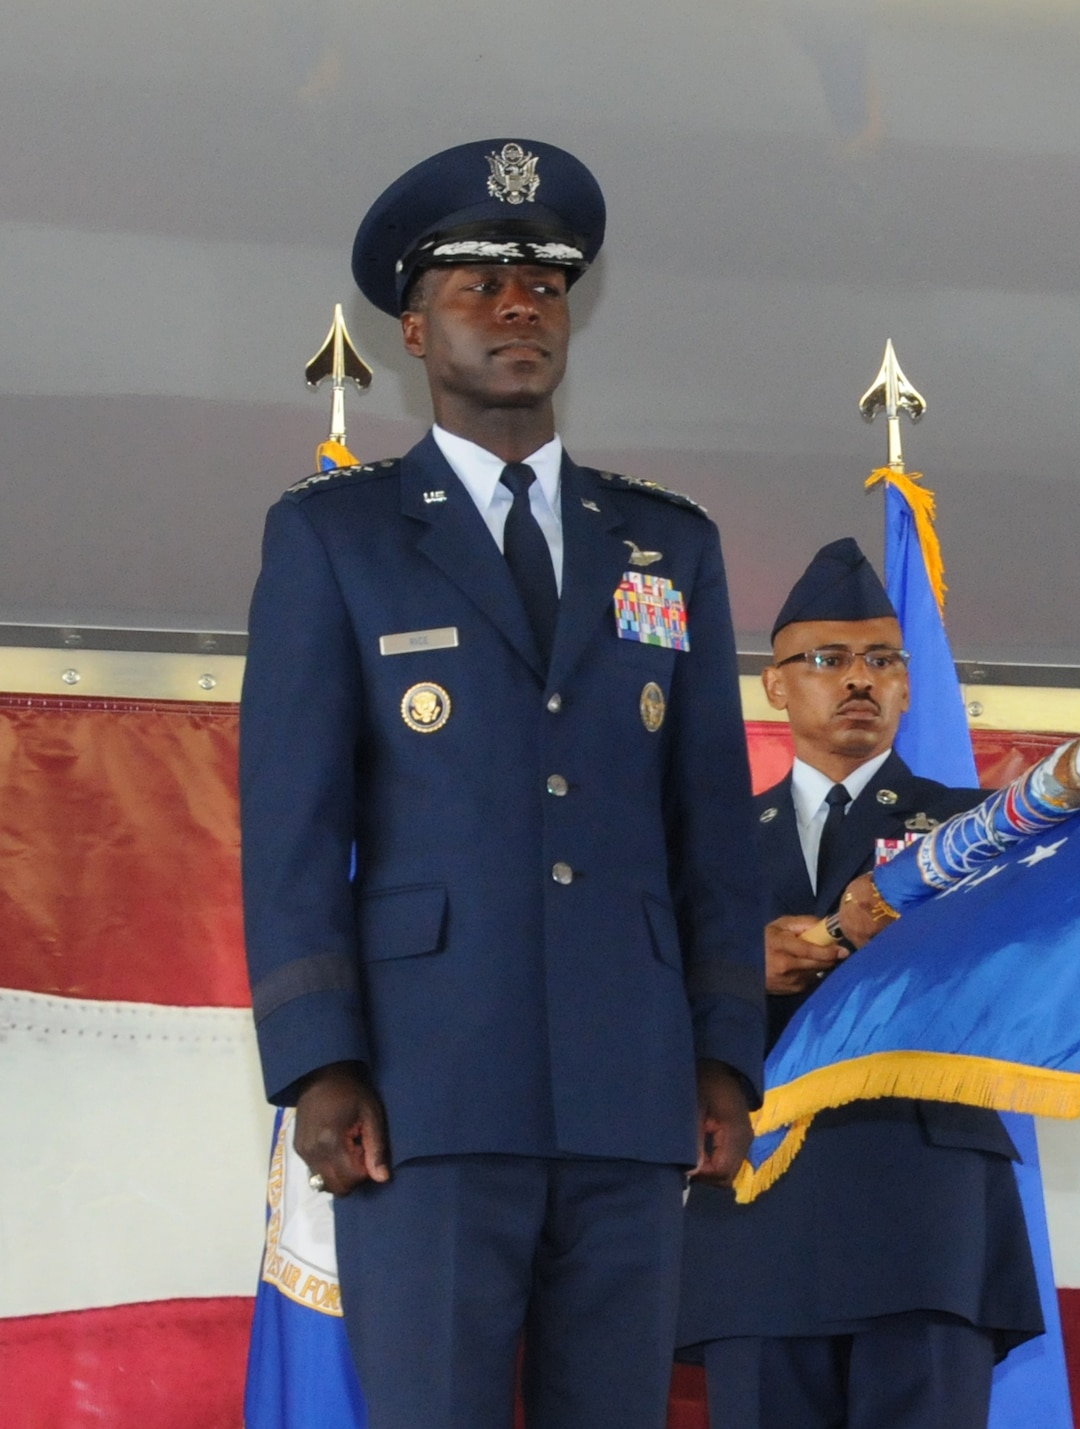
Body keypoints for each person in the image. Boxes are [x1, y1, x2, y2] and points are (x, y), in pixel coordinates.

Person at [238, 138, 767, 1429]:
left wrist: (722, 1055)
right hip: (425, 1085)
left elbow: (708, 817)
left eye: (539, 287)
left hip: (631, 1082)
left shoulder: (665, 540)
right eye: (478, 287)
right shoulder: (337, 534)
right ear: (417, 329)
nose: (517, 309)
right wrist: (320, 1064)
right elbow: (292, 822)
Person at [678, 537, 1044, 1429]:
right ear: (776, 685)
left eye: (882, 659)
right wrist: (733, 971)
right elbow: (628, 987)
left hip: (923, 1205)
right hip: (756, 1199)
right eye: (829, 658)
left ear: (909, 685)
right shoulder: (705, 839)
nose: (859, 679)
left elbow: (1025, 986)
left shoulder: (976, 827)